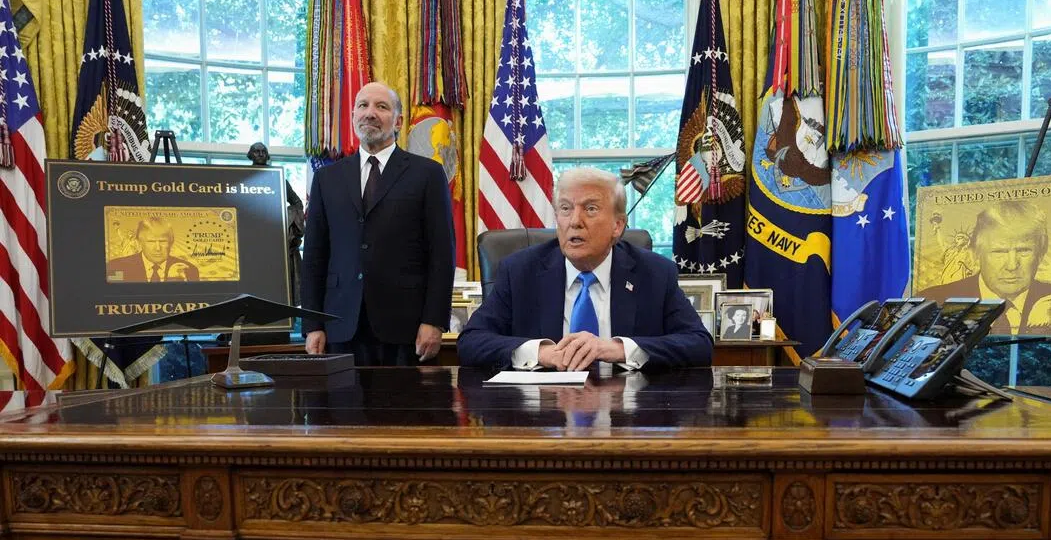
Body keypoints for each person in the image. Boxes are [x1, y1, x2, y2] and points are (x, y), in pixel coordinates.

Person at [457, 166, 712, 370]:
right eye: (566, 209)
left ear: (617, 225)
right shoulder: (520, 271)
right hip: (543, 417)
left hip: (627, 417)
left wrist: (617, 349)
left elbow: (699, 344)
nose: (575, 221)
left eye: (590, 209)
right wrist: (541, 353)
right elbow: (471, 342)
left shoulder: (654, 273)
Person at [300, 81, 454, 366]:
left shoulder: (428, 174)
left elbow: (442, 254)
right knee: (339, 411)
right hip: (340, 326)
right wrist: (312, 324)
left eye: (381, 107)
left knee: (402, 411)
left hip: (406, 330)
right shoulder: (327, 179)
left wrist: (434, 320)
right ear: (354, 116)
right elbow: (314, 257)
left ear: (398, 121)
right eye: (363, 105)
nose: (370, 113)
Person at [918, 201, 1051, 335]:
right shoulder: (933, 302)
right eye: (999, 251)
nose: (1012, 265)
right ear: (976, 254)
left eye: (1024, 250)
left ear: (1041, 254)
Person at [247, 141, 305, 304]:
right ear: (250, 155)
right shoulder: (242, 176)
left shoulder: (277, 177)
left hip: (274, 236)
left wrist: (287, 220)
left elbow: (297, 203)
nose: (260, 154)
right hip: (250, 234)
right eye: (256, 151)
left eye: (263, 151)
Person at [106, 217, 200, 283]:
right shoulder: (116, 267)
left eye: (163, 241)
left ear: (171, 242)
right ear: (139, 242)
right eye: (151, 241)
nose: (158, 248)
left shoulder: (190, 270)